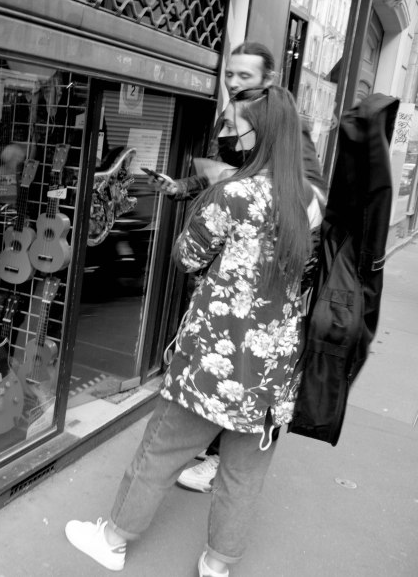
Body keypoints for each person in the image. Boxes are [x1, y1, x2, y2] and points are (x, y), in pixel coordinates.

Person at [65, 86, 322, 576]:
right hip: (273, 369)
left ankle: (113, 540)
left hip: (214, 358)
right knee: (243, 475)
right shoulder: (308, 201)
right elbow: (307, 274)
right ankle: (217, 565)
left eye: (231, 127)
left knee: (161, 450)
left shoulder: (233, 195)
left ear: (259, 134)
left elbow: (186, 257)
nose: (223, 135)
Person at [148, 42, 327, 494]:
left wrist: (245, 206)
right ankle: (214, 449)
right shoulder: (235, 119)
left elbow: (308, 195)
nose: (233, 81)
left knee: (240, 371)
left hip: (264, 280)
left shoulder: (283, 126)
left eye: (244, 76)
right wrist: (186, 187)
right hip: (229, 272)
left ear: (268, 80)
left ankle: (212, 455)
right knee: (229, 370)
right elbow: (225, 170)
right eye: (230, 73)